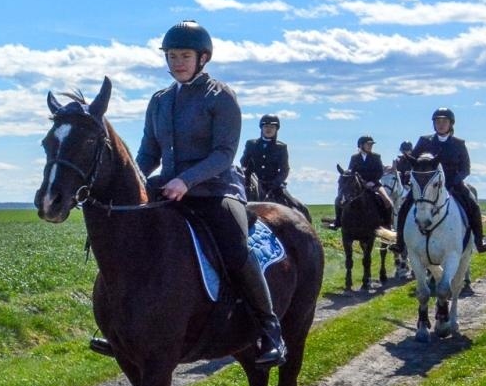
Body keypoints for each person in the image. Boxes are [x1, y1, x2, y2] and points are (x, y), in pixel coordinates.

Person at [106, 20, 287, 365]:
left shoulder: (220, 97)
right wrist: (136, 180)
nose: (176, 62)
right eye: (171, 56)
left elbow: (223, 154)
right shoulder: (159, 101)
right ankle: (127, 327)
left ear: (203, 58)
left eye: (184, 55)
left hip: (216, 191)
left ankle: (269, 327)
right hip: (169, 189)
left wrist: (186, 181)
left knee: (235, 246)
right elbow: (148, 153)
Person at [395, 107, 486, 253]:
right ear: (434, 124)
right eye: (437, 121)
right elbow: (412, 161)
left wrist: (454, 181)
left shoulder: (458, 144)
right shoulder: (424, 141)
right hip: (427, 184)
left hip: (452, 183)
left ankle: (479, 241)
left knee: (473, 204)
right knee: (405, 205)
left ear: (451, 124)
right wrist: (403, 164)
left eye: (444, 121)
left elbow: (466, 168)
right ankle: (399, 243)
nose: (441, 124)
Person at [332, 135, 386, 229]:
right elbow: (351, 171)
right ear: (361, 145)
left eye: (371, 144)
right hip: (358, 184)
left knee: (387, 200)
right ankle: (338, 221)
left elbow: (380, 172)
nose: (370, 146)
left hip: (374, 184)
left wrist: (372, 182)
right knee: (339, 199)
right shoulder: (354, 157)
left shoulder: (376, 156)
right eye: (368, 144)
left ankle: (386, 223)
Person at [240, 114, 290, 201]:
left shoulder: (281, 147)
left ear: (276, 129)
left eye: (272, 127)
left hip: (273, 186)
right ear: (261, 128)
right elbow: (243, 163)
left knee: (291, 202)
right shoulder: (251, 144)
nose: (269, 129)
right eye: (266, 126)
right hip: (252, 183)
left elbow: (284, 170)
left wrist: (274, 183)